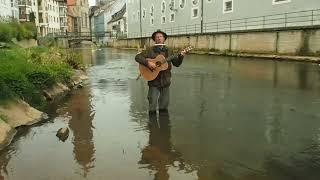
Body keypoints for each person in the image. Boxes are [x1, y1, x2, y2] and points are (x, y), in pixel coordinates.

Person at [135, 30, 186, 115]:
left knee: (164, 107)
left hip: (166, 81)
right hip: (153, 81)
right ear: (154, 39)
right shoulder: (149, 50)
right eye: (157, 37)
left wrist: (181, 57)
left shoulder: (169, 51)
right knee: (152, 105)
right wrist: (148, 63)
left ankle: (164, 126)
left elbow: (176, 64)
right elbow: (137, 57)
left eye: (160, 36)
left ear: (164, 38)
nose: (158, 38)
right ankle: (152, 126)